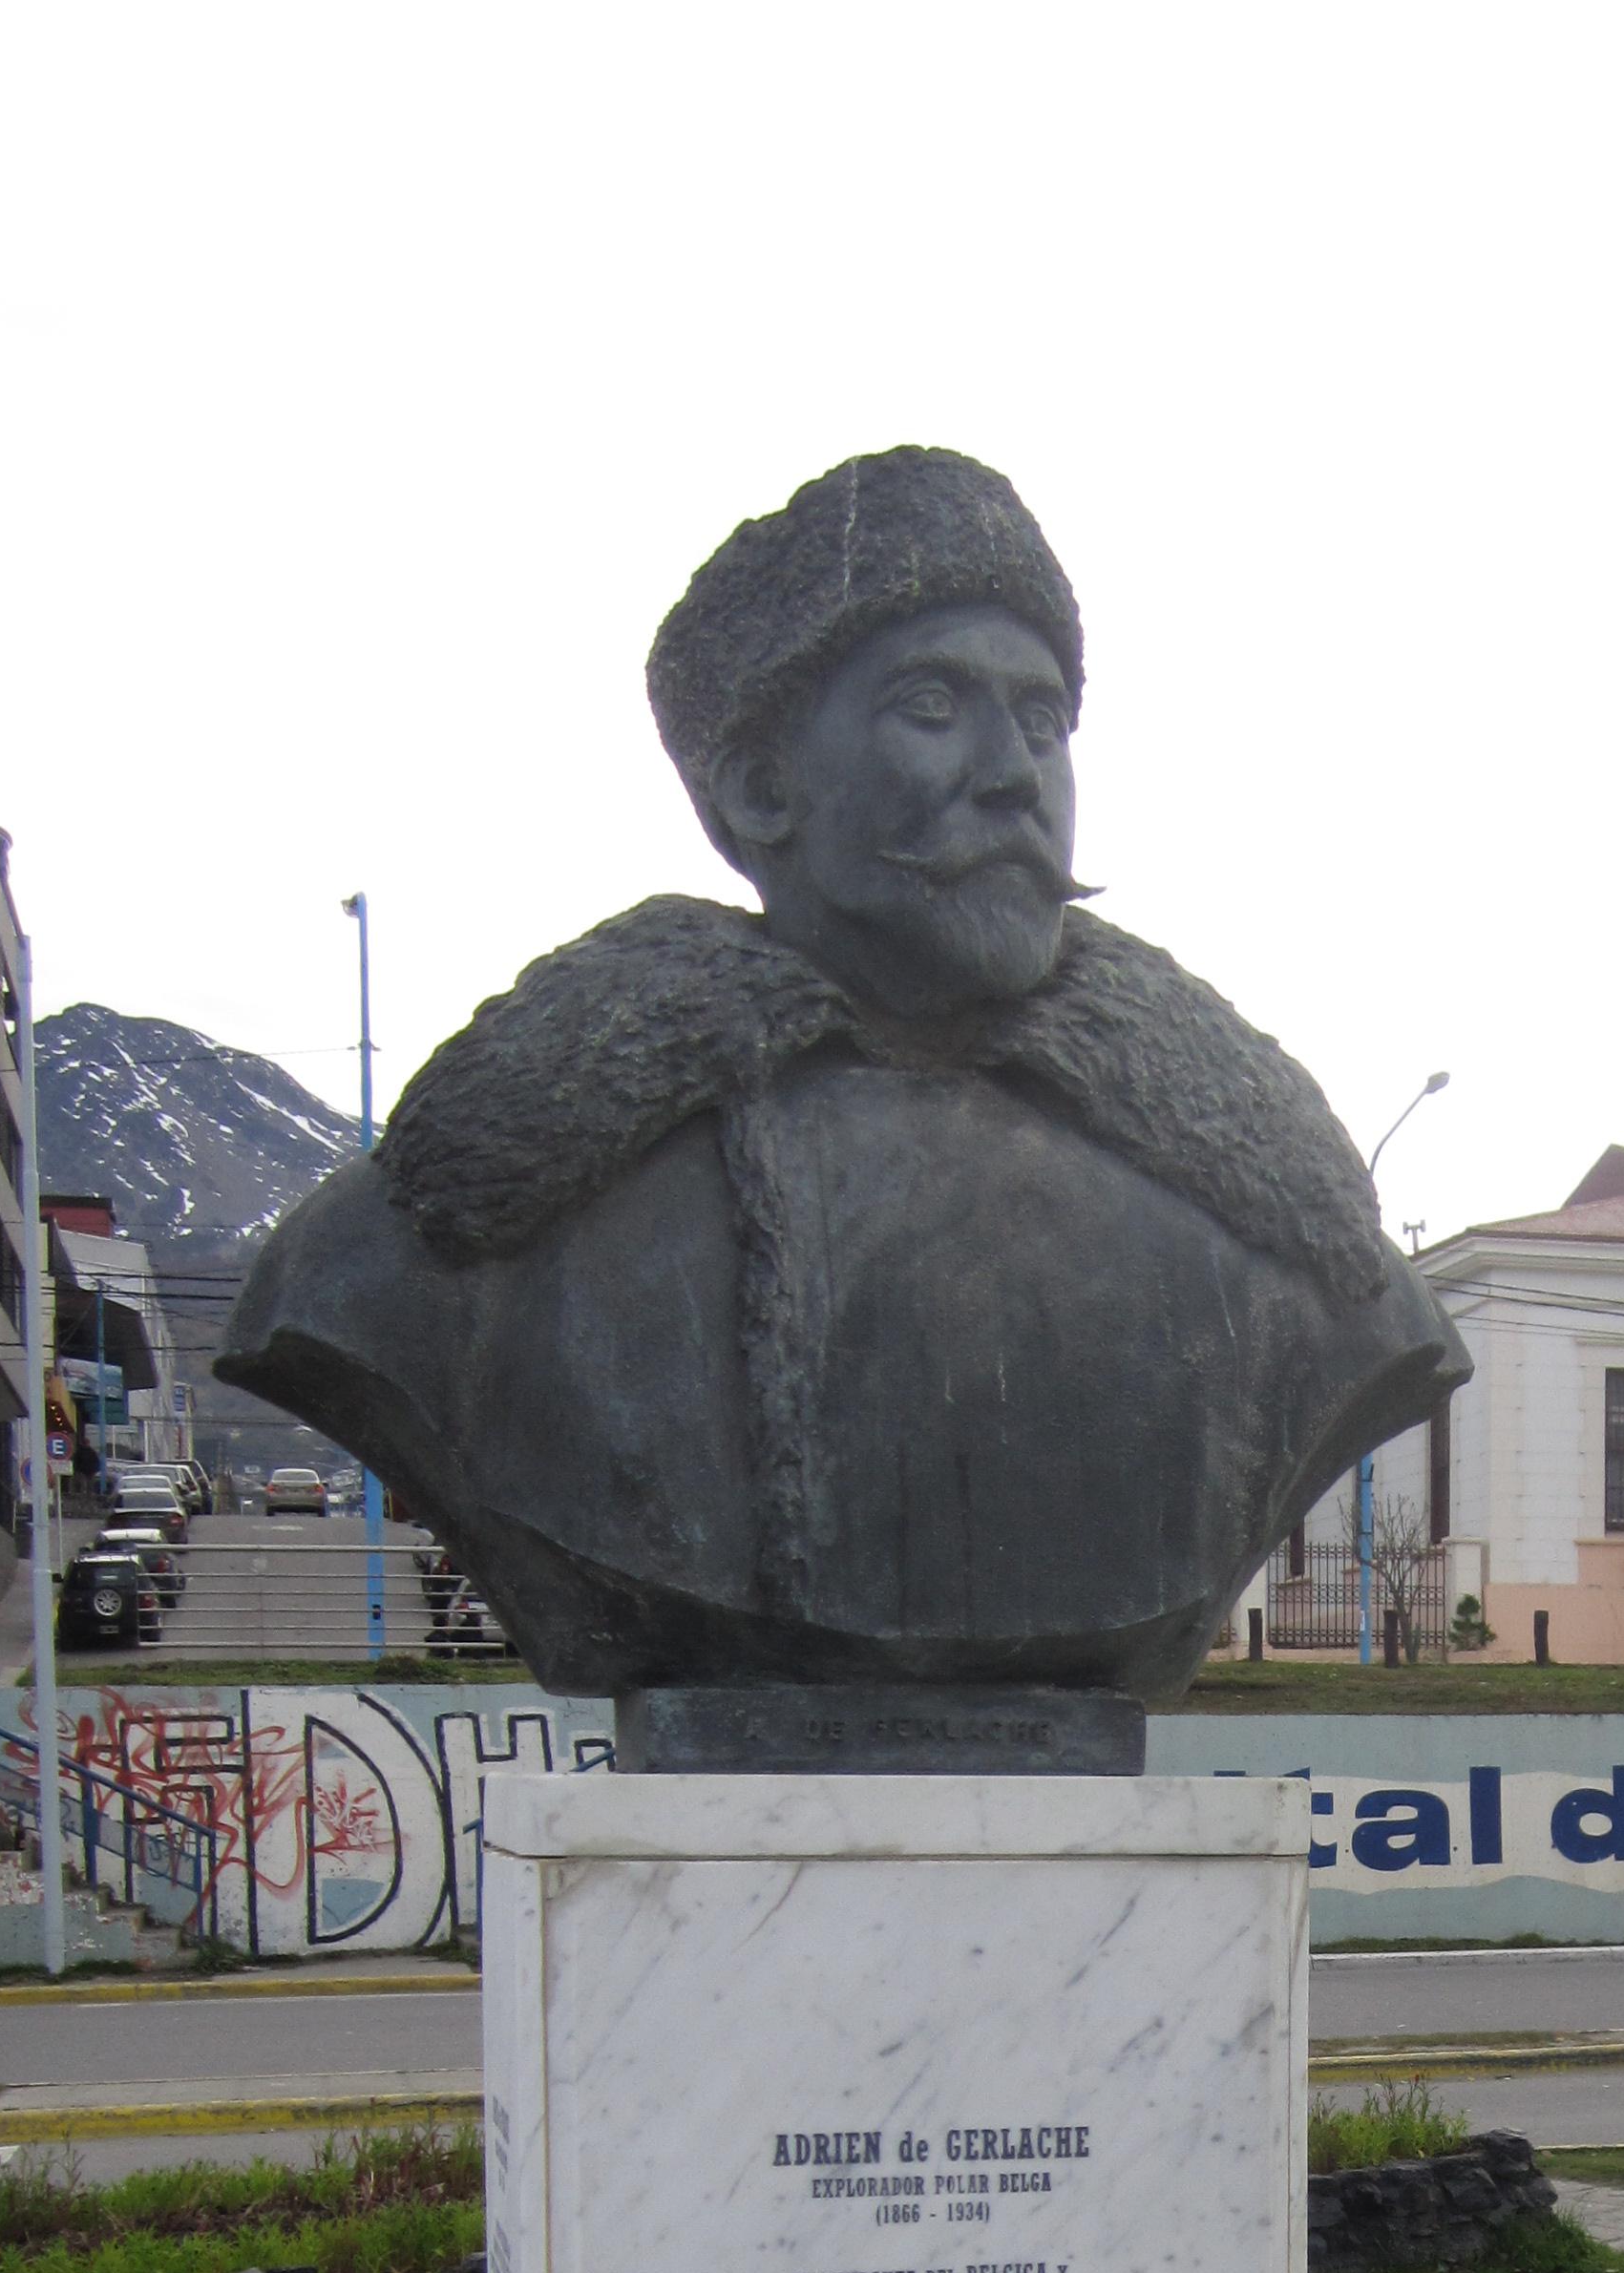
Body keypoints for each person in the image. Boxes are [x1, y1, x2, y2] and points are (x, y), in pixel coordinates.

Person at [221, 447, 1462, 1736]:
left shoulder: (1285, 1250)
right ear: (761, 787)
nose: (1012, 774)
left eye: (1043, 723)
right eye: (934, 706)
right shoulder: (444, 1234)